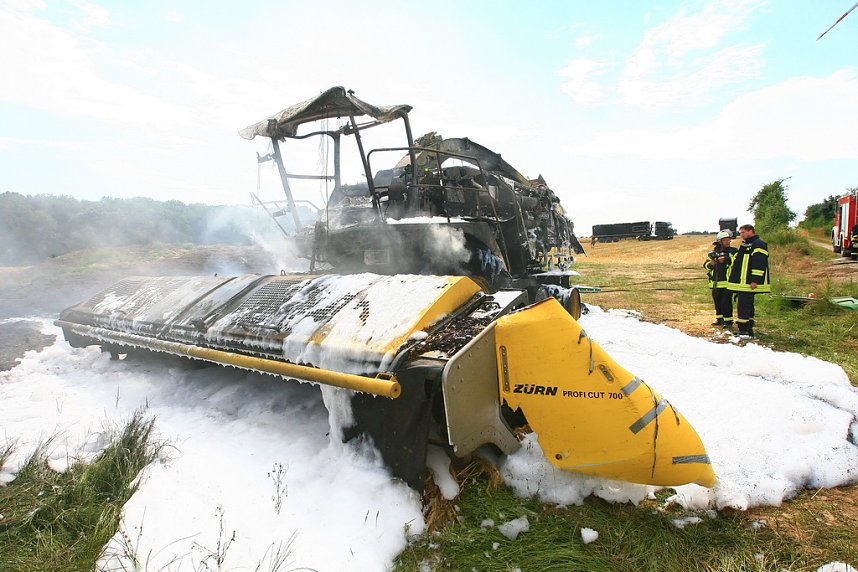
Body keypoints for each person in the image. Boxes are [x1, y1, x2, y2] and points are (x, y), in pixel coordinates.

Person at [726, 224, 770, 337]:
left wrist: (755, 280)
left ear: (751, 231)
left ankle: (744, 330)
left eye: (743, 232)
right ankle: (747, 329)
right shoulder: (746, 244)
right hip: (743, 282)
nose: (741, 235)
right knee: (746, 304)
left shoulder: (758, 244)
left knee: (744, 305)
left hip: (748, 282)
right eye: (740, 233)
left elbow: (759, 263)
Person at [704, 230, 738, 327]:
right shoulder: (714, 253)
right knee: (717, 301)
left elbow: (736, 262)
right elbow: (705, 265)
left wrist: (726, 259)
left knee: (726, 302)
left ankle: (728, 321)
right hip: (715, 283)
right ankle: (719, 319)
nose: (728, 242)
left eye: (729, 240)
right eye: (725, 240)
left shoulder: (733, 251)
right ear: (720, 241)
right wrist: (711, 264)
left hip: (727, 282)